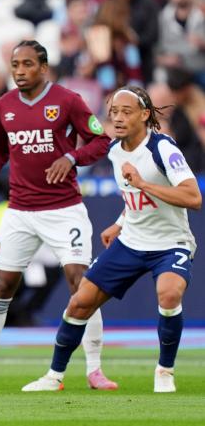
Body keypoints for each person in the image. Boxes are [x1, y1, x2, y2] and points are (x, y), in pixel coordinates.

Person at [0, 40, 117, 391]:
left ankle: (94, 369)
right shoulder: (4, 106)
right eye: (15, 65)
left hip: (64, 209)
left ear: (43, 68)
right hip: (21, 211)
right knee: (2, 286)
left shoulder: (67, 101)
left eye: (28, 64)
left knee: (82, 283)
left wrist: (72, 157)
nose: (20, 71)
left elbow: (100, 141)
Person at [23, 86, 202, 393]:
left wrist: (143, 183)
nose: (118, 118)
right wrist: (119, 223)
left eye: (126, 112)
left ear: (145, 115)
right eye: (114, 112)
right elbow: (134, 195)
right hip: (131, 241)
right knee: (80, 302)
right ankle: (54, 376)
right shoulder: (116, 150)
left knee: (169, 294)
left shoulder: (163, 149)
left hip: (170, 243)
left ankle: (165, 371)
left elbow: (193, 197)